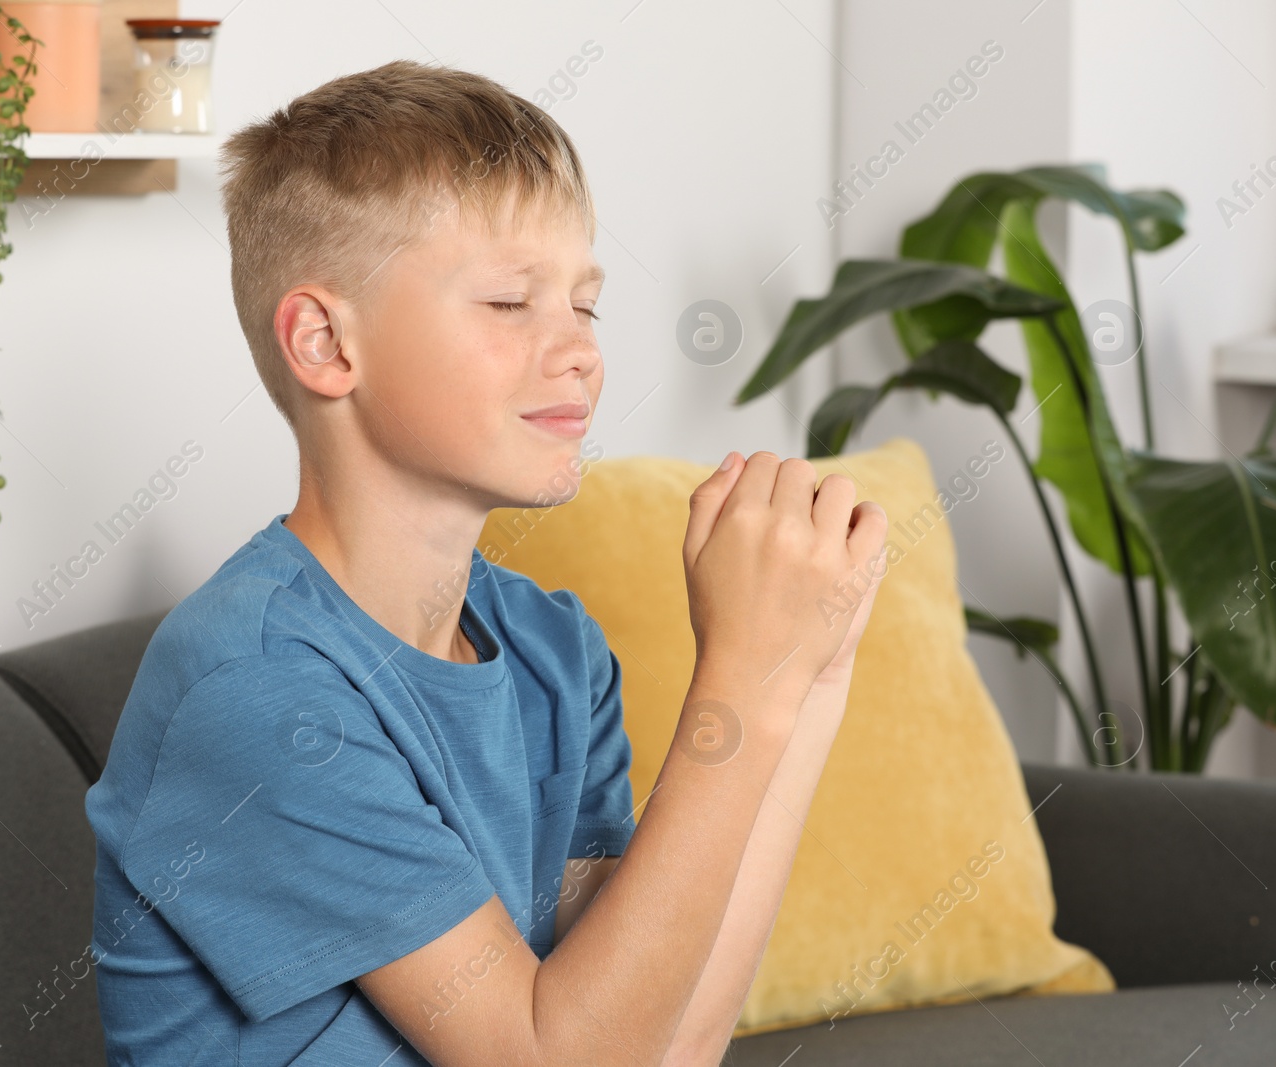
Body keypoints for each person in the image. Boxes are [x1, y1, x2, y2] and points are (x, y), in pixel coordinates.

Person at [83, 57, 888, 1067]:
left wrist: (807, 671)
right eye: (511, 303)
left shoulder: (555, 652)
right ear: (327, 344)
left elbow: (662, 1040)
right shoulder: (259, 690)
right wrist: (740, 678)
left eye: (584, 305)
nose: (580, 351)